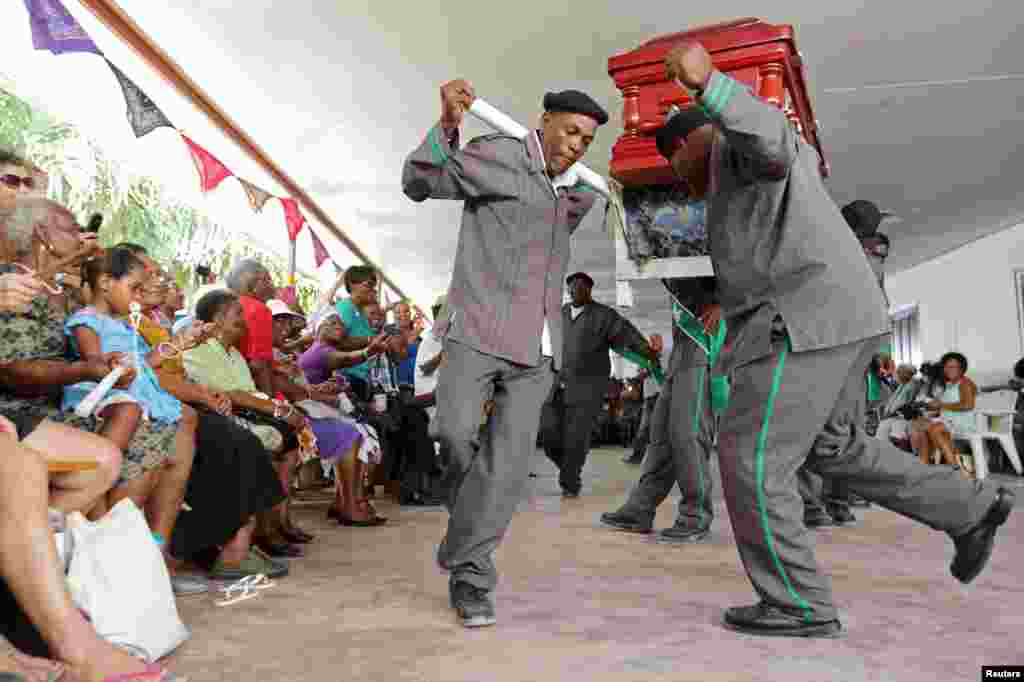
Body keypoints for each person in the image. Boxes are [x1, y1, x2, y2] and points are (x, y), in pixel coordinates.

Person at [659, 40, 1013, 637]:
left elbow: (771, 135)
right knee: (834, 448)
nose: (674, 172)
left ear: (694, 139)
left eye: (673, 156)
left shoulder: (735, 149)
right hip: (838, 318)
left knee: (751, 458)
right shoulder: (733, 188)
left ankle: (799, 604)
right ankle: (970, 507)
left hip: (802, 320)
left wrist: (710, 85)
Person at [402, 78, 607, 626]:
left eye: (586, 140)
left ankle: (470, 574)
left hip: (538, 347)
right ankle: (466, 531)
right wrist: (449, 123)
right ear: (544, 122)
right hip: (477, 329)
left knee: (509, 468)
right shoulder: (496, 155)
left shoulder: (577, 190)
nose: (576, 145)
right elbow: (419, 181)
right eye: (570, 132)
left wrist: (582, 191)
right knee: (452, 433)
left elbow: (560, 229)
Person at [600, 275, 722, 544]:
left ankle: (695, 516)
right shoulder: (674, 260)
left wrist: (724, 302)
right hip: (680, 355)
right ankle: (639, 509)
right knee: (661, 439)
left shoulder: (709, 242)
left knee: (688, 437)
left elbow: (748, 265)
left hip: (702, 351)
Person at [541, 271, 661, 498]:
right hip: (558, 384)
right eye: (571, 287)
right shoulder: (562, 313)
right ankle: (568, 469)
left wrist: (648, 350)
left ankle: (570, 481)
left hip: (588, 387)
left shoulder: (604, 316)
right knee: (547, 434)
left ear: (589, 289)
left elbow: (628, 334)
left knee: (577, 438)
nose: (574, 290)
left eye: (580, 287)